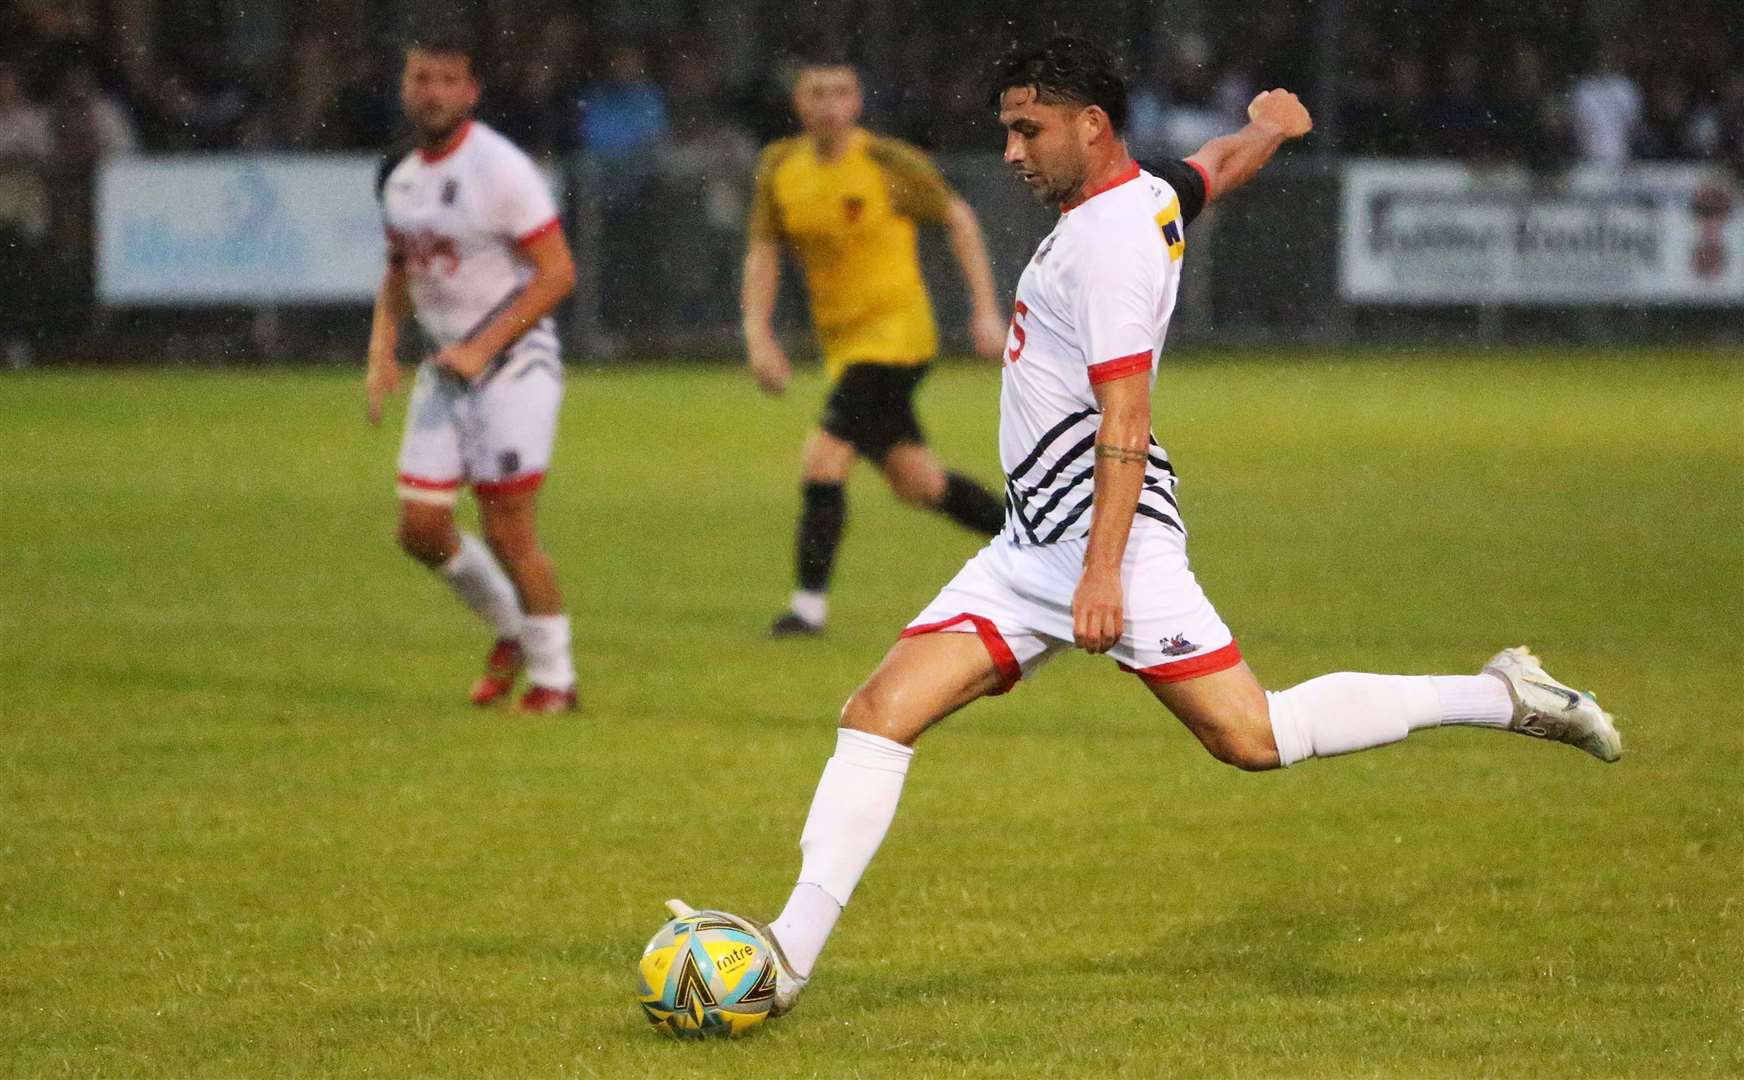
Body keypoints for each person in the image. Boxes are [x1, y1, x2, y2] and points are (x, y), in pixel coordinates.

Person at [674, 35, 1622, 1017]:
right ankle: (784, 961)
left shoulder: (1110, 247)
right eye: (1006, 130)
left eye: (1025, 130)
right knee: (877, 715)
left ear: (1091, 126)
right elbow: (1209, 170)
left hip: (1107, 536)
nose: (1010, 153)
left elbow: (1125, 419)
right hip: (1031, 546)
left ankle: (1499, 693)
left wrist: (1101, 573)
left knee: (1254, 736)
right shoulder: (1138, 198)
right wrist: (1263, 129)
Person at [741, 56, 1011, 637]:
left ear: (858, 101)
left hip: (898, 338)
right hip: (843, 346)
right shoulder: (780, 168)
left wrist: (985, 312)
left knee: (824, 457)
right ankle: (1042, 545)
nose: (829, 104)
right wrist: (758, 334)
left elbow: (958, 220)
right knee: (920, 483)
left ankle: (806, 611)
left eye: (841, 92)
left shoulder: (889, 162)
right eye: (817, 92)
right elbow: (764, 250)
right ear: (799, 103)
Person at [365, 30, 580, 713]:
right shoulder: (398, 173)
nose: (430, 92)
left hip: (515, 363)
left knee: (508, 527)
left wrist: (483, 348)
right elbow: (401, 265)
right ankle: (510, 631)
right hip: (447, 366)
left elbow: (558, 273)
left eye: (444, 80)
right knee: (420, 529)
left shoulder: (501, 169)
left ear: (470, 90)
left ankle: (556, 679)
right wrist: (382, 344)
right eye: (419, 78)